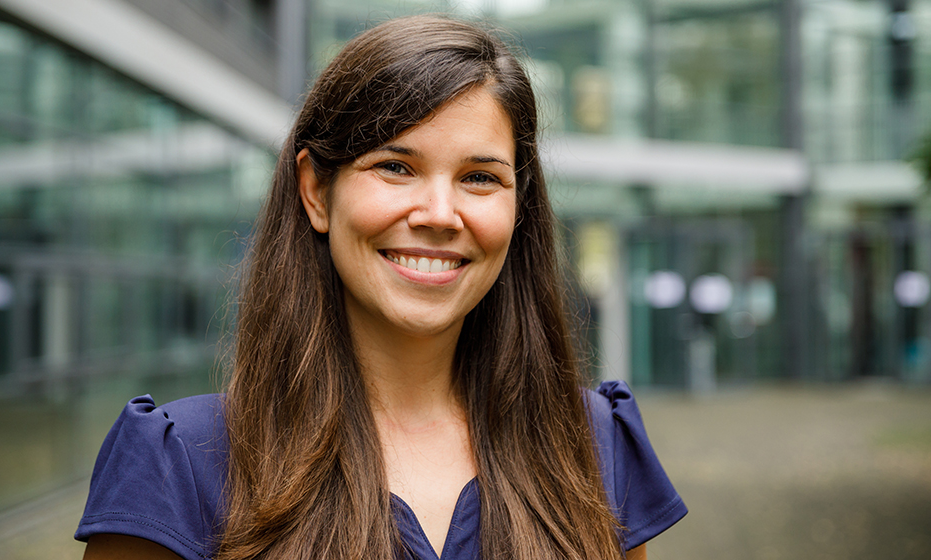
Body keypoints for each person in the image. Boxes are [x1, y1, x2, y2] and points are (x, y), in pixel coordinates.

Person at [75, 15, 686, 560]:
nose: (441, 214)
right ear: (316, 190)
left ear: (519, 207)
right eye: (396, 167)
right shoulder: (181, 466)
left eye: (480, 177)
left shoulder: (594, 445)